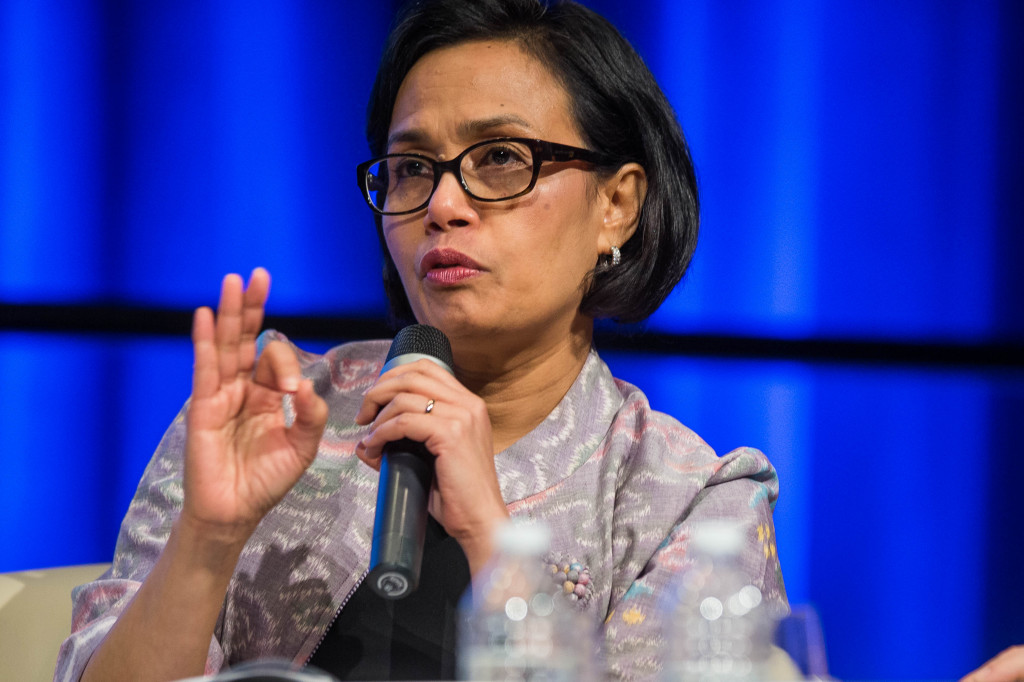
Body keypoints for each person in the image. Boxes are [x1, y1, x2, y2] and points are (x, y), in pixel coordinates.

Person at [54, 0, 787, 680]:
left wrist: (494, 542)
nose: (441, 205)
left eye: (500, 157)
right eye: (410, 170)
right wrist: (209, 538)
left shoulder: (691, 498)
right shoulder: (265, 414)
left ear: (616, 205)